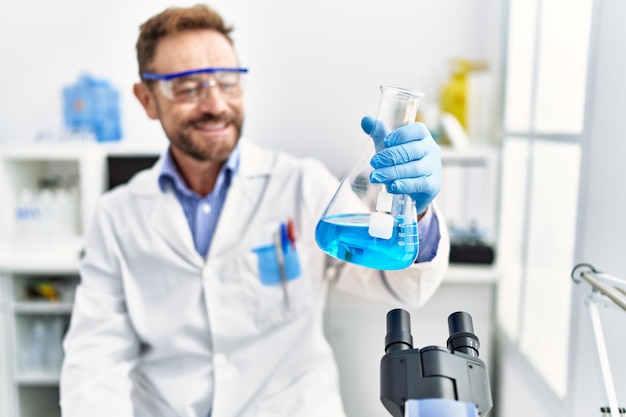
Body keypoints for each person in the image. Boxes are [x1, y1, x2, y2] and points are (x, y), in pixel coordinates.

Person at [59, 4, 450, 417]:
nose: (215, 104)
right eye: (188, 86)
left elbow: (405, 288)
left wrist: (417, 212)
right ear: (147, 99)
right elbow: (94, 361)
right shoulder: (117, 216)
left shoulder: (301, 185)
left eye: (228, 82)